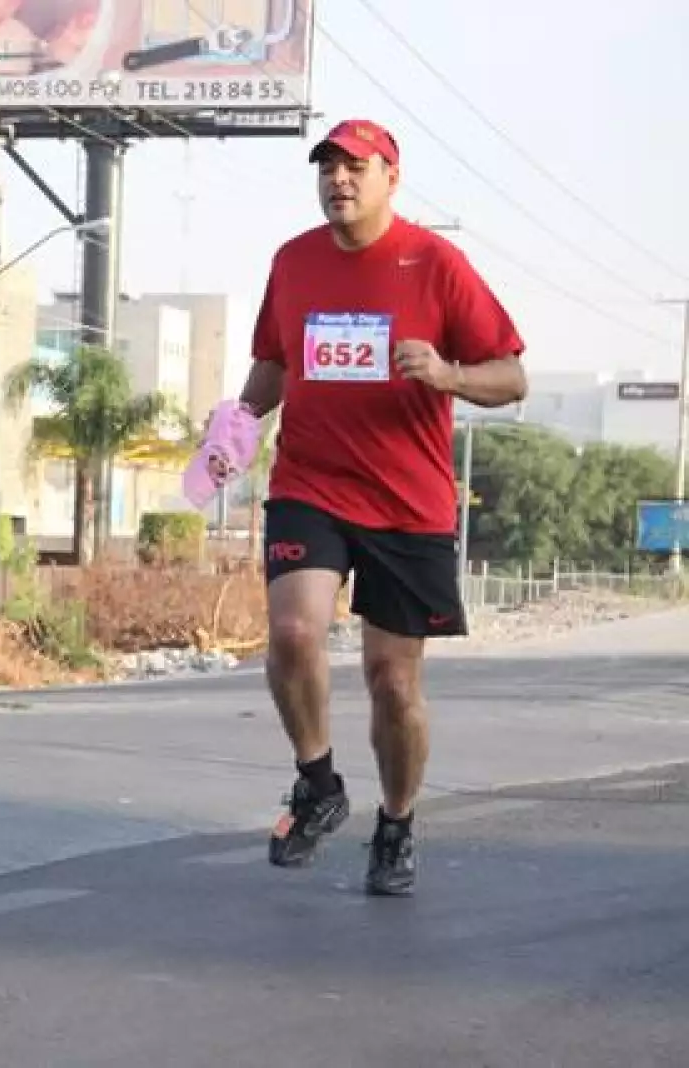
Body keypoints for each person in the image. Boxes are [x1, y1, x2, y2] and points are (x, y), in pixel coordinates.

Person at [235, 118, 528, 895]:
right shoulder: (293, 262)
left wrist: (448, 374)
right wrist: (230, 434)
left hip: (407, 500)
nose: (339, 181)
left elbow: (512, 376)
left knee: (392, 682)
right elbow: (272, 365)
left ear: (389, 178)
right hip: (311, 485)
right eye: (327, 168)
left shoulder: (434, 263)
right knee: (295, 631)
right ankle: (319, 783)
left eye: (355, 168)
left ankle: (395, 824)